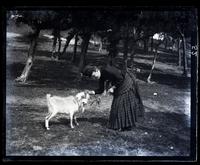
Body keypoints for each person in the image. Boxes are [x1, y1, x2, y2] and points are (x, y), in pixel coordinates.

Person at [82, 64, 145, 131]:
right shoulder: (101, 76)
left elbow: (120, 77)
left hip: (126, 80)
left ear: (96, 70)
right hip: (119, 83)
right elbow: (101, 90)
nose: (95, 78)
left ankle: (127, 125)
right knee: (117, 105)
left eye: (94, 76)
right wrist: (91, 92)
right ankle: (123, 125)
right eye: (93, 78)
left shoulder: (107, 69)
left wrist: (113, 87)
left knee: (121, 103)